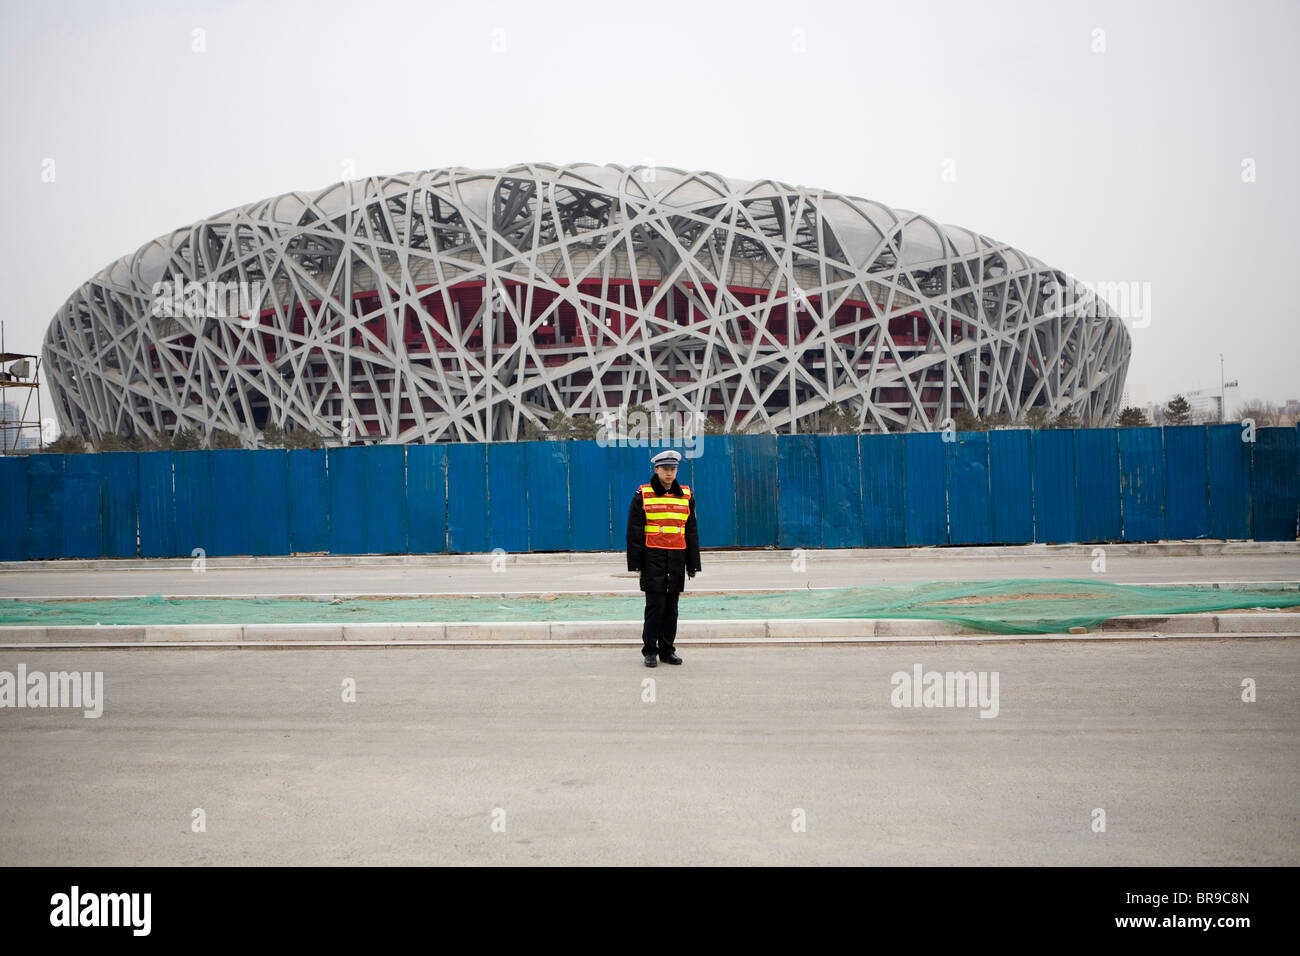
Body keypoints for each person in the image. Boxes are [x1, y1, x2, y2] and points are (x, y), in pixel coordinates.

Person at [626, 449, 701, 667]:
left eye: (673, 469)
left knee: (672, 608)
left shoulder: (686, 494)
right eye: (665, 469)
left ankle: (668, 650)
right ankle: (650, 650)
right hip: (653, 557)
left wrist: (693, 564)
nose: (669, 473)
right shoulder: (644, 494)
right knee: (655, 606)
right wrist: (636, 564)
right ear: (656, 469)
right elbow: (634, 530)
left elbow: (691, 531)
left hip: (677, 557)